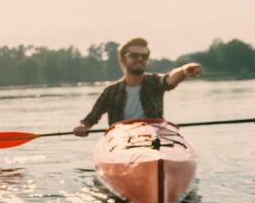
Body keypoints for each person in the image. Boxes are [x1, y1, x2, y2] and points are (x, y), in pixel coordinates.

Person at [73, 37, 203, 136]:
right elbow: (90, 120)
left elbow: (169, 79)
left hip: (154, 136)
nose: (140, 59)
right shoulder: (110, 92)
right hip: (122, 140)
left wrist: (184, 70)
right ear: (123, 60)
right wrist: (82, 127)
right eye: (134, 55)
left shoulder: (154, 82)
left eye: (144, 56)